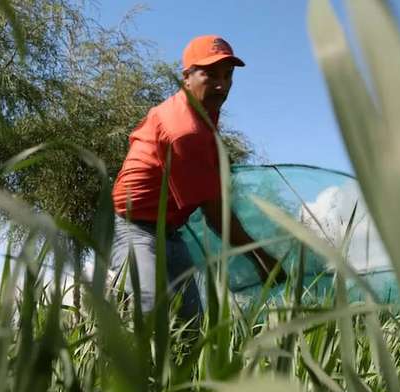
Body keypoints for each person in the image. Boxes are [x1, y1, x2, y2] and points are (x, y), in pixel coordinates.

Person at [110, 35, 285, 319]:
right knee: (151, 316)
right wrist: (261, 256)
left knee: (190, 327)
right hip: (136, 229)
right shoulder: (184, 130)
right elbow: (214, 213)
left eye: (228, 76)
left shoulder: (204, 110)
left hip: (169, 232)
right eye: (210, 75)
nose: (222, 85)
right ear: (187, 77)